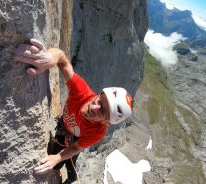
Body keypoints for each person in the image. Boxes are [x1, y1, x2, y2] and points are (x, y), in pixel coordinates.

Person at [13, 39, 133, 183]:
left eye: (102, 111)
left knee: (67, 161)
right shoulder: (80, 91)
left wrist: (57, 158)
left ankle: (71, 177)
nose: (94, 107)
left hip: (74, 139)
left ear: (106, 122)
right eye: (100, 101)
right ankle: (62, 168)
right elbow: (61, 58)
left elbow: (76, 147)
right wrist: (48, 58)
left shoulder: (98, 132)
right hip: (63, 129)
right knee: (55, 159)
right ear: (100, 94)